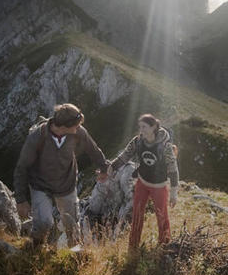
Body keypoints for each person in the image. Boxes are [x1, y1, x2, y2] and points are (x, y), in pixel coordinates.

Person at [13, 103, 108, 248]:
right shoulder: (37, 137)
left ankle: (74, 253)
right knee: (44, 223)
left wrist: (104, 169)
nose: (79, 128)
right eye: (76, 126)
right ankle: (36, 247)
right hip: (40, 185)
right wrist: (21, 199)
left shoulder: (78, 132)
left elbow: (93, 149)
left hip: (66, 184)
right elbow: (21, 167)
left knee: (71, 224)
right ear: (64, 127)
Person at [109, 114, 179, 251]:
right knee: (137, 214)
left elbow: (173, 168)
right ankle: (133, 247)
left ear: (154, 127)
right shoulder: (138, 141)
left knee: (162, 216)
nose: (141, 130)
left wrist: (174, 193)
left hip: (159, 186)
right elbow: (125, 155)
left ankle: (164, 246)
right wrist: (112, 166)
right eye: (140, 127)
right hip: (142, 183)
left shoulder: (165, 146)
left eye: (144, 127)